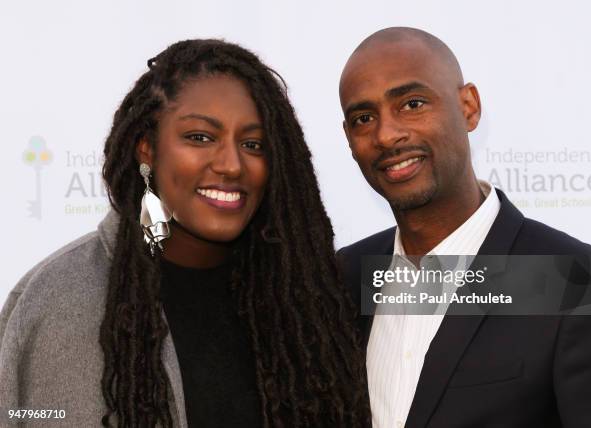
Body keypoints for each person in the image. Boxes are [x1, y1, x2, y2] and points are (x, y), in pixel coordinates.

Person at [0, 39, 371, 427]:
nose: (231, 164)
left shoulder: (304, 303)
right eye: (200, 137)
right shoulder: (60, 300)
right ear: (147, 150)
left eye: (253, 144)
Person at [337, 27, 591, 427]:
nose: (387, 134)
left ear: (468, 107)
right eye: (364, 118)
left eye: (412, 104)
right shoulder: (345, 278)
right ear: (348, 139)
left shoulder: (577, 284)